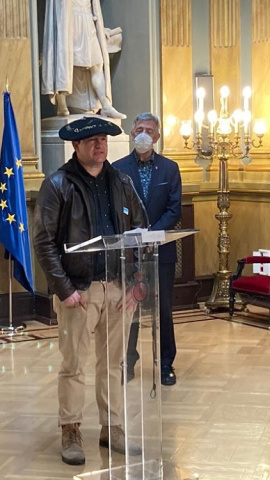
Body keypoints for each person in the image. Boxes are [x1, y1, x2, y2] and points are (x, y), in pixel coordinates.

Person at [33, 116, 147, 465]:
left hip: (118, 288)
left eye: (103, 139)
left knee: (113, 363)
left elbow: (141, 232)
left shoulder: (122, 181)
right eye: (92, 141)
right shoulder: (58, 185)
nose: (100, 145)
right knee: (73, 365)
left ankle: (111, 427)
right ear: (75, 146)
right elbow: (44, 242)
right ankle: (71, 429)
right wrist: (64, 289)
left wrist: (138, 280)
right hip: (79, 292)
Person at [113, 113, 182, 386]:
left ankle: (166, 364)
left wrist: (153, 235)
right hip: (129, 252)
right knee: (129, 309)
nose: (144, 134)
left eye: (149, 130)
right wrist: (134, 234)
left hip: (161, 252)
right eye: (139, 129)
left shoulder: (169, 168)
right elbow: (116, 209)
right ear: (131, 133)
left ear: (157, 136)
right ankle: (128, 363)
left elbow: (174, 209)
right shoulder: (117, 168)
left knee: (163, 309)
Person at [42, 0, 125, 119]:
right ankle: (62, 104)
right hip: (69, 21)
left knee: (97, 64)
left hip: (88, 21)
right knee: (64, 62)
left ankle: (105, 105)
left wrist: (101, 29)